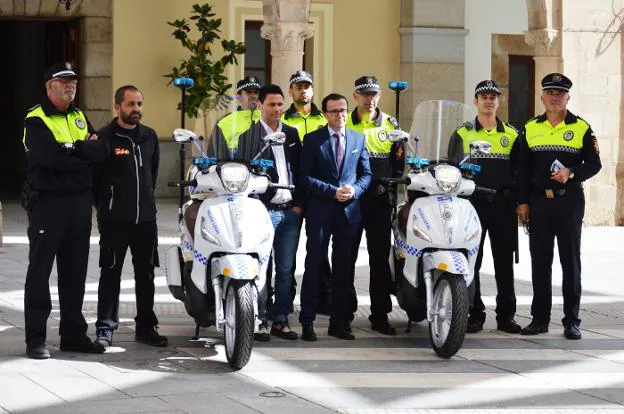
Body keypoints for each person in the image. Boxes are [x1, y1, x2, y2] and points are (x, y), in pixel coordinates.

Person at [22, 62, 108, 359]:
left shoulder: (80, 116)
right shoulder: (35, 119)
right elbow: (51, 159)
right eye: (64, 81)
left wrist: (74, 150)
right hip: (48, 203)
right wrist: (81, 151)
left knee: (74, 272)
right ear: (49, 86)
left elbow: (101, 151)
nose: (71, 85)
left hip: (79, 203)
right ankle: (35, 338)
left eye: (73, 80)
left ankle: (73, 335)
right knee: (40, 272)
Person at [516, 73, 602, 340]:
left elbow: (595, 164)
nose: (554, 97)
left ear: (568, 97)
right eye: (550, 92)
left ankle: (571, 321)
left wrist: (572, 173)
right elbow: (521, 170)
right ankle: (540, 319)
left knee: (570, 262)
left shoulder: (581, 128)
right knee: (540, 263)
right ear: (542, 97)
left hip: (569, 202)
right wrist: (522, 203)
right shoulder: (529, 128)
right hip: (539, 203)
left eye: (560, 93)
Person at [92, 85, 167, 349]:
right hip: (115, 221)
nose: (136, 109)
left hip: (146, 220)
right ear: (118, 107)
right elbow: (95, 182)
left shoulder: (150, 136)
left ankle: (146, 326)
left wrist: (145, 201)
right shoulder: (104, 138)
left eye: (139, 104)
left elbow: (153, 173)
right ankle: (105, 328)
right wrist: (106, 206)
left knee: (146, 274)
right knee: (110, 273)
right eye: (130, 104)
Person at [447, 80, 521, 334]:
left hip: (503, 206)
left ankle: (506, 316)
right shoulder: (462, 133)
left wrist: (520, 203)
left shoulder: (512, 134)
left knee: (504, 263)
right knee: (471, 263)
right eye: (484, 96)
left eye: (493, 96)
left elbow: (520, 172)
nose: (489, 100)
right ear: (475, 101)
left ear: (499, 102)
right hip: (472, 206)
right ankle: (474, 314)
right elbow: (452, 172)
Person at [298, 93, 372, 341]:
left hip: (348, 213)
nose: (339, 115)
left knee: (344, 269)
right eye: (334, 111)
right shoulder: (312, 140)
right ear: (325, 114)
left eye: (343, 110)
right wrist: (332, 192)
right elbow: (304, 177)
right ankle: (307, 321)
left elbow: (366, 174)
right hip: (320, 211)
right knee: (314, 265)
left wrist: (355, 190)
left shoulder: (358, 138)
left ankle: (339, 323)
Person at [237, 84, 303, 341]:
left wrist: (299, 204)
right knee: (261, 267)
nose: (276, 110)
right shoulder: (249, 137)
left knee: (286, 269)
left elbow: (301, 169)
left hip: (290, 212)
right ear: (260, 106)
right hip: (263, 211)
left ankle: (281, 319)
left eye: (279, 104)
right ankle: (260, 319)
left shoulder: (292, 133)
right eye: (271, 105)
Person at [346, 76, 404, 335]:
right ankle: (344, 311)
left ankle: (380, 314)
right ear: (356, 95)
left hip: (379, 200)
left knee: (380, 258)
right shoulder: (344, 122)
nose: (370, 99)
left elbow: (399, 163)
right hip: (350, 199)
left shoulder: (391, 124)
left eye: (374, 94)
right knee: (345, 257)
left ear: (379, 95)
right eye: (365, 94)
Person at [281, 70, 332, 314]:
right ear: (290, 91)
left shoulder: (324, 119)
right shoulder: (283, 121)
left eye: (307, 86)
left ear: (312, 90)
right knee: (286, 253)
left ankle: (322, 299)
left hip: (317, 192)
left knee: (319, 250)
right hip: (292, 191)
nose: (303, 90)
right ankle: (285, 299)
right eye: (298, 86)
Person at [210, 76, 262, 157]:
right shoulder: (224, 122)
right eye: (248, 92)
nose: (253, 96)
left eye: (256, 92)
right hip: (233, 167)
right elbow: (213, 154)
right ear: (239, 96)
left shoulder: (267, 119)